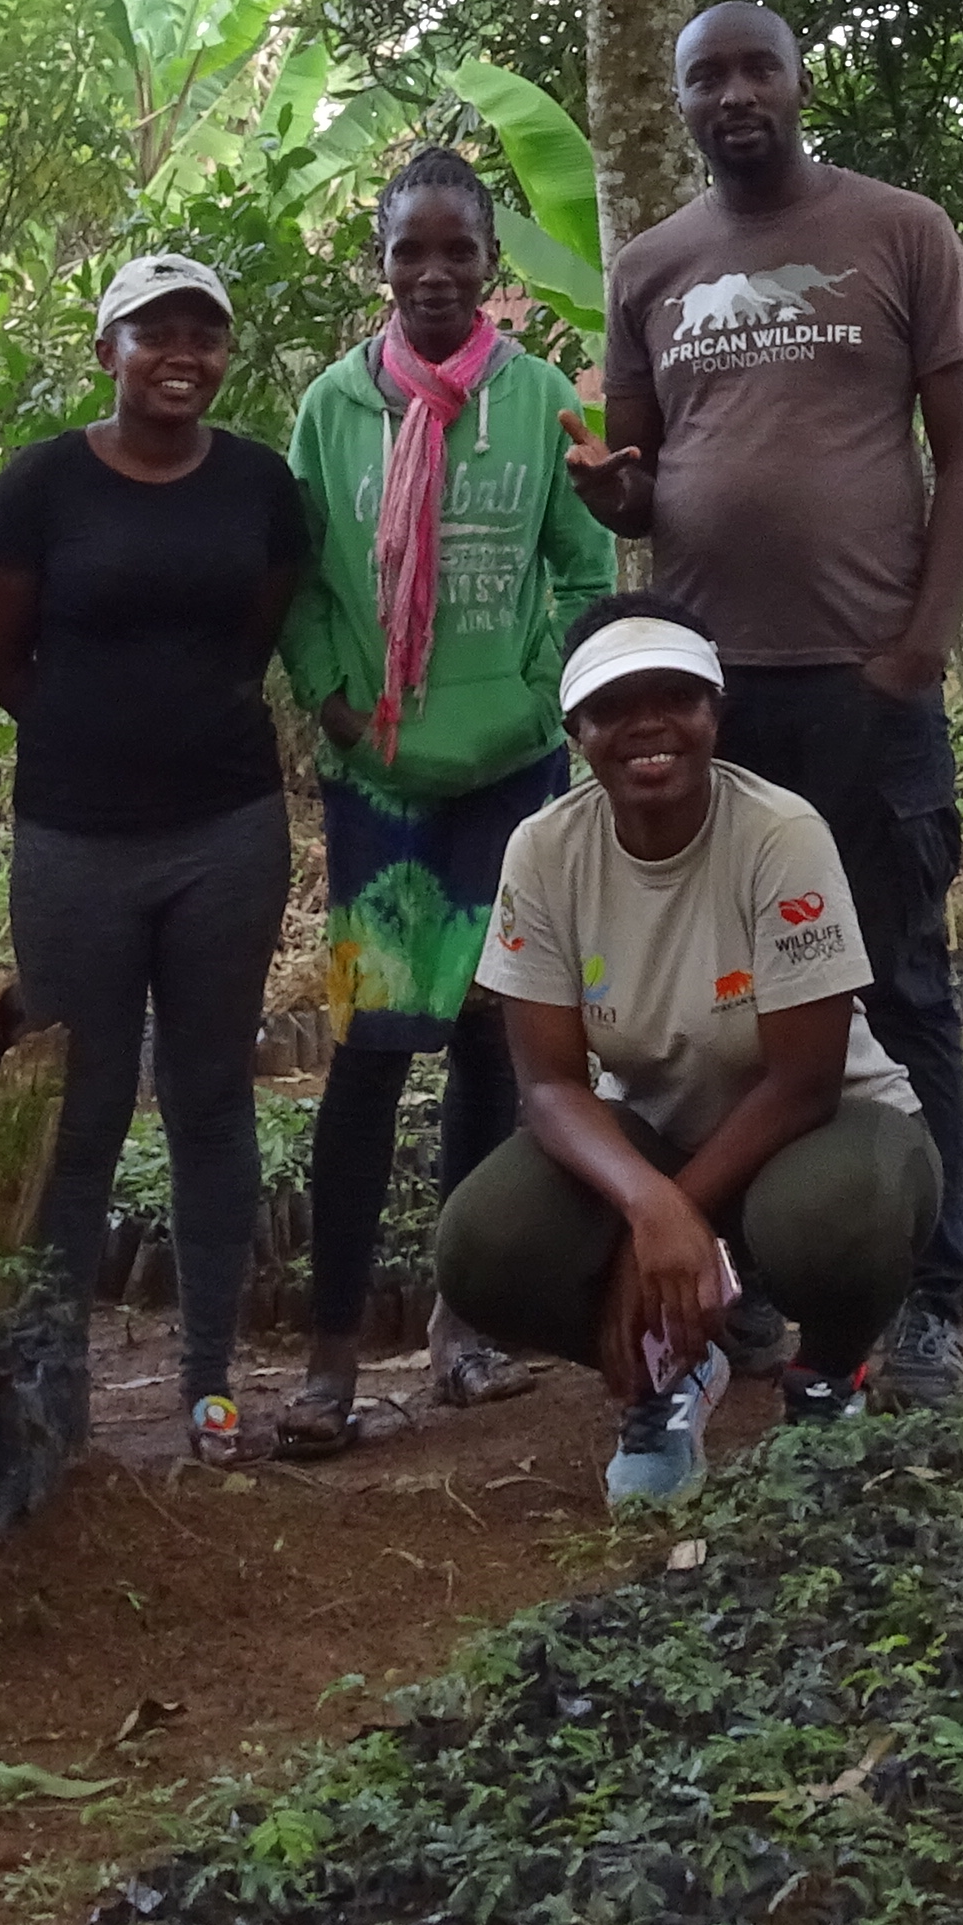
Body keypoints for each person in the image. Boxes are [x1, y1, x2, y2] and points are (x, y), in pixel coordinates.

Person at [567, 0, 963, 1407]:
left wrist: (919, 650)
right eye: (707, 76)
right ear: (681, 103)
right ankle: (742, 1289)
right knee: (714, 996)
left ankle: (928, 1295)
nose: (735, 92)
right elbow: (641, 470)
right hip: (699, 698)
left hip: (861, 681)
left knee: (894, 979)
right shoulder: (655, 264)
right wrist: (614, 492)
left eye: (757, 67)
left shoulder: (900, 230)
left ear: (799, 85)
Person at [437, 602, 942, 1505]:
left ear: (717, 710)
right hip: (661, 1134)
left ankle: (827, 1374)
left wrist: (668, 1220)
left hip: (825, 1129)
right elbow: (549, 1084)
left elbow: (805, 1076)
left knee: (839, 1222)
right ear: (577, 734)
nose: (648, 727)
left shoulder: (779, 834)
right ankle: (665, 1371)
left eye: (676, 696)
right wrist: (648, 1204)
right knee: (484, 1246)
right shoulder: (545, 852)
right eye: (613, 707)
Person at [270, 143, 614, 1450]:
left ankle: (465, 1335)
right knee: (368, 1058)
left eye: (456, 249)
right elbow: (303, 582)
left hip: (511, 782)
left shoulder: (535, 403)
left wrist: (539, 700)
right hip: (382, 785)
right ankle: (330, 1359)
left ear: (489, 263)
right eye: (409, 250)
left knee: (491, 1048)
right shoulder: (331, 410)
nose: (432, 273)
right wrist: (334, 701)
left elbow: (584, 572)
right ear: (381, 262)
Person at [0, 249, 310, 1468]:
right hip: (75, 840)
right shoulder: (42, 487)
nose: (182, 355)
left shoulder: (261, 486)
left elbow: (256, 635)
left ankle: (209, 1381)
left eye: (204, 335)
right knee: (82, 1106)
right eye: (154, 332)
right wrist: (89, 733)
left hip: (225, 831)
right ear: (107, 349)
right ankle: (54, 1387)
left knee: (211, 1094)